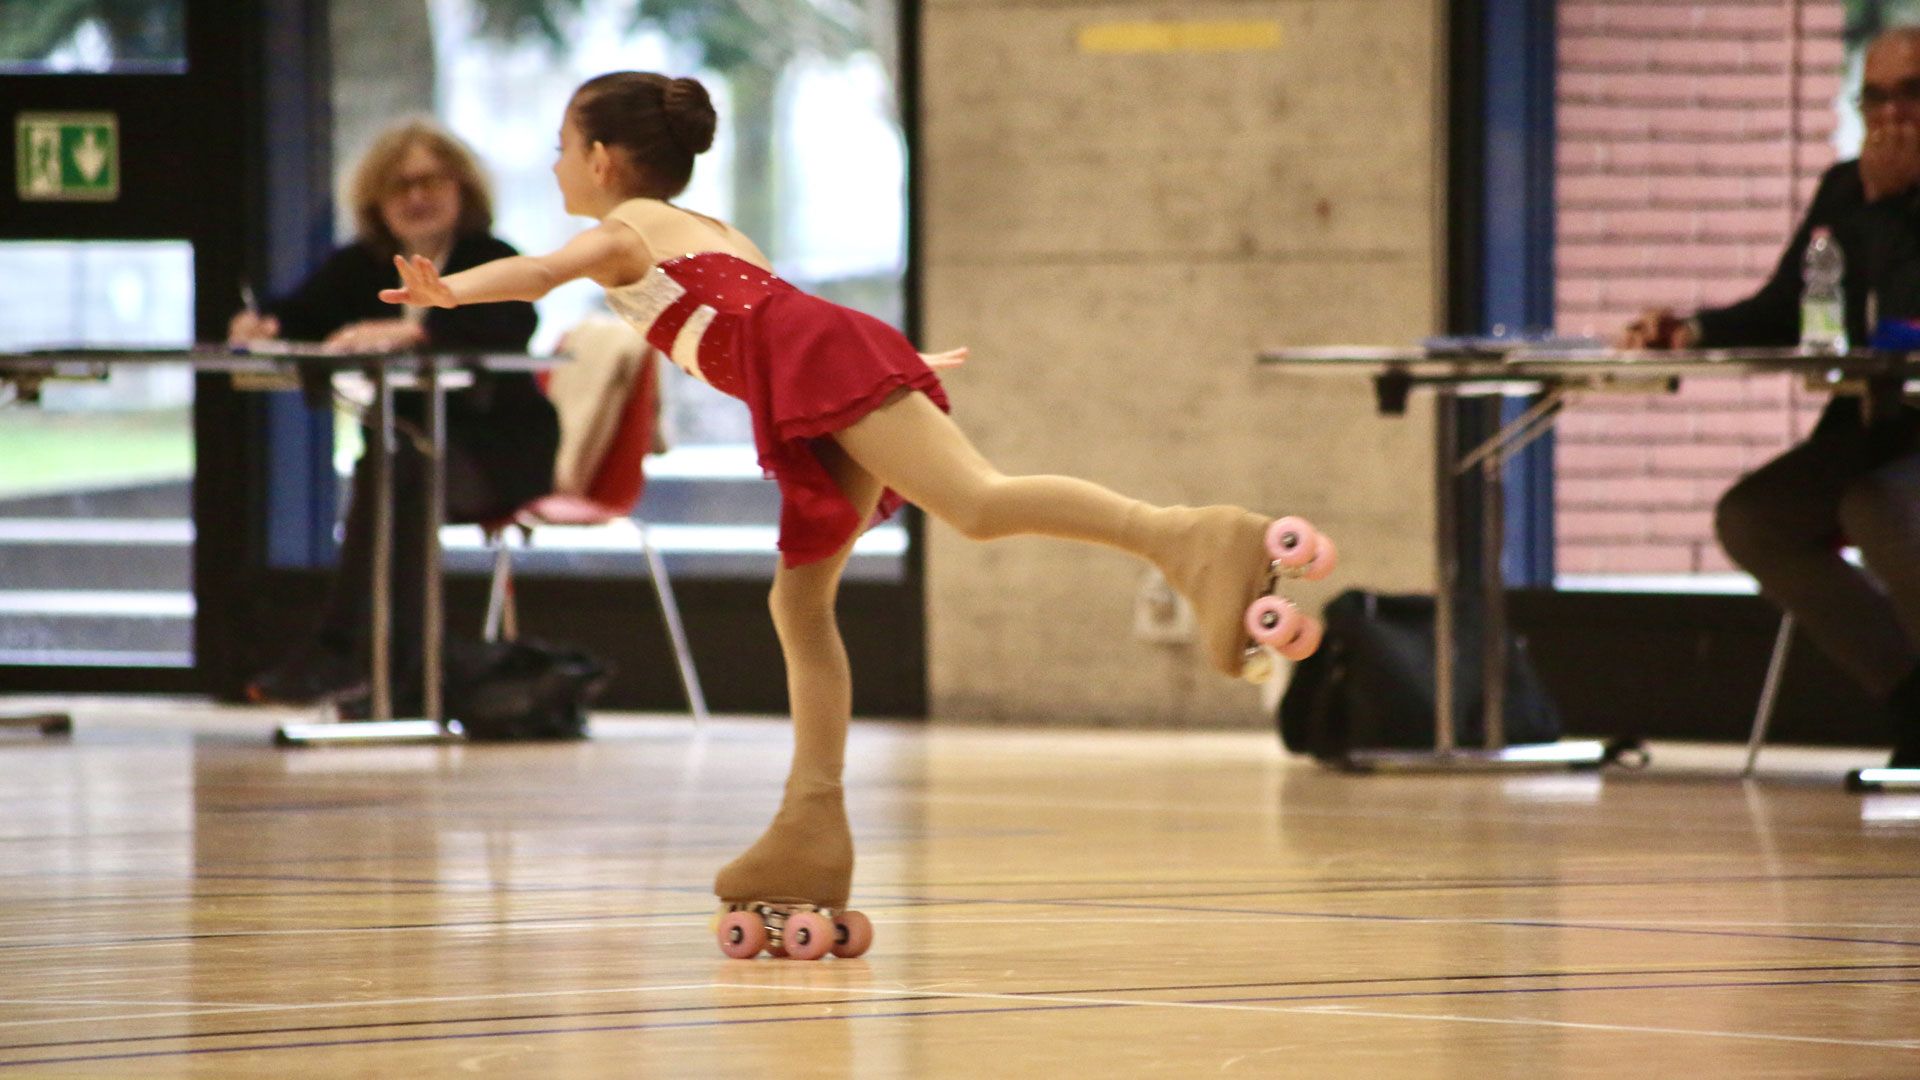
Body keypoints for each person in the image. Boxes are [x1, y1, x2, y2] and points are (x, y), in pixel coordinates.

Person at [378, 72, 1332, 939]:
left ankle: (1191, 538)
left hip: (815, 374)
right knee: (800, 601)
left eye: (559, 146)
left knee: (978, 503)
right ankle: (811, 827)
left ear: (600, 159)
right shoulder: (706, 228)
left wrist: (448, 289)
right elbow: (772, 307)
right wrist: (888, 358)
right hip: (815, 371)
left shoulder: (625, 231)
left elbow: (544, 273)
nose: (553, 164)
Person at [1620, 28, 1920, 767]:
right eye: (1875, 98)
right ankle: (1911, 701)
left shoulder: (1879, 194)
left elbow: (1903, 311)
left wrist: (1892, 205)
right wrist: (1690, 331)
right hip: (1873, 424)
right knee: (1754, 517)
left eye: (1911, 94)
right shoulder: (1846, 187)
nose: (1892, 116)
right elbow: (1789, 304)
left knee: (1876, 507)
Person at [232, 118, 559, 708]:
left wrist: (416, 333)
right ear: (376, 202)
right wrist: (265, 325)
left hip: (497, 457)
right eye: (399, 186)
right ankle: (394, 675)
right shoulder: (361, 265)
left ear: (462, 188)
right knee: (396, 468)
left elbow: (510, 320)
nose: (416, 197)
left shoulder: (491, 258)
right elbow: (302, 312)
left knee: (397, 471)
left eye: (430, 181)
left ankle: (350, 657)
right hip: (407, 456)